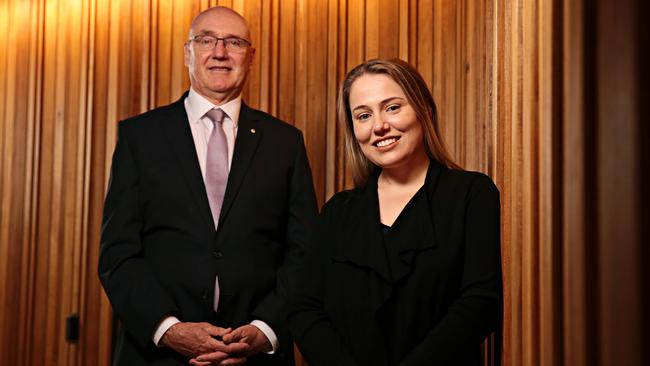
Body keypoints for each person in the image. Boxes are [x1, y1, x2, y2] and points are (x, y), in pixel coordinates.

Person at [98, 6, 318, 366]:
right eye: (206, 40)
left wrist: (265, 329)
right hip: (157, 355)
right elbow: (118, 254)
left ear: (250, 57)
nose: (219, 52)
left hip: (256, 356)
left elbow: (303, 252)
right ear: (188, 52)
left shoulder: (286, 142)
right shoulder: (140, 137)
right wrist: (169, 329)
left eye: (234, 41)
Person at [288, 58, 502, 366]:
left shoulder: (471, 194)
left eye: (392, 107)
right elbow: (304, 309)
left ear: (424, 109)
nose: (379, 126)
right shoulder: (338, 211)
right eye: (363, 115)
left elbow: (480, 303)